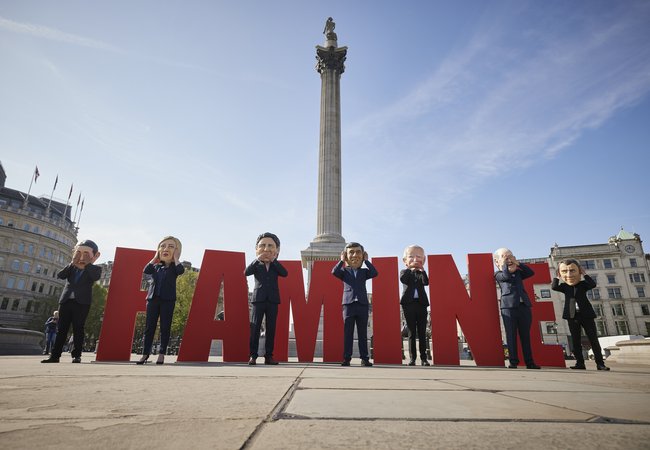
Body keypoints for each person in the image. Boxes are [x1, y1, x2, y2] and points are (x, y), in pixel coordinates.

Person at [42, 240, 101, 363]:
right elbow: (61, 275)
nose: (81, 256)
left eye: (86, 253)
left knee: (78, 329)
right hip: (66, 301)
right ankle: (55, 356)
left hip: (82, 302)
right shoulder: (72, 268)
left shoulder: (95, 269)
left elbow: (95, 277)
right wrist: (72, 263)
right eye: (79, 253)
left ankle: (76, 355)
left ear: (95, 256)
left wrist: (87, 262)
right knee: (61, 329)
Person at [552, 259, 610, 371]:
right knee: (575, 340)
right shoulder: (565, 287)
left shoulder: (583, 285)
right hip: (572, 316)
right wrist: (557, 276)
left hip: (586, 314)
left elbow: (592, 284)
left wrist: (584, 274)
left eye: (573, 270)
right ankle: (580, 363)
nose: (569, 274)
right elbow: (554, 287)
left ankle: (600, 364)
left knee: (593, 339)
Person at [137, 236, 184, 365]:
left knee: (165, 327)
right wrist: (154, 257)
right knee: (149, 328)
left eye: (171, 246)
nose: (166, 249)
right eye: (163, 246)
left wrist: (176, 258)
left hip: (168, 300)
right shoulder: (155, 267)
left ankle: (161, 354)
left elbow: (181, 270)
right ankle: (145, 354)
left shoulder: (175, 268)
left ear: (177, 250)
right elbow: (146, 270)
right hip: (152, 299)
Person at [332, 242, 378, 367]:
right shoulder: (344, 272)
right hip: (348, 305)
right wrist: (342, 261)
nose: (354, 255)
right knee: (348, 333)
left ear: (362, 255)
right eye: (351, 252)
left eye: (358, 252)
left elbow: (374, 273)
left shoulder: (364, 272)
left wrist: (367, 261)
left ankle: (365, 358)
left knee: (363, 334)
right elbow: (334, 272)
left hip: (362, 305)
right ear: (346, 256)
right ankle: (347, 358)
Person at [493, 247, 540, 369]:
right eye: (505, 257)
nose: (509, 259)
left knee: (525, 335)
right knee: (511, 335)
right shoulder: (498, 274)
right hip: (508, 308)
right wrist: (504, 265)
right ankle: (513, 362)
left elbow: (530, 272)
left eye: (510, 256)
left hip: (524, 306)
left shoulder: (519, 273)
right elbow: (506, 276)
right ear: (497, 261)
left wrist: (518, 263)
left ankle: (530, 362)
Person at [245, 232, 288, 365]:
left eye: (270, 246)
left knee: (271, 329)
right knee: (255, 328)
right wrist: (258, 259)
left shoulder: (275, 265)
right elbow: (246, 272)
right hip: (258, 299)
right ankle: (253, 355)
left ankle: (269, 356)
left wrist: (273, 260)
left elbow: (285, 273)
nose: (266, 249)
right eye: (263, 245)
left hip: (273, 300)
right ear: (257, 249)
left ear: (277, 249)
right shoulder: (256, 264)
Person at [400, 245, 430, 366]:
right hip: (409, 304)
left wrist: (422, 270)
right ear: (405, 261)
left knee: (422, 332)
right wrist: (410, 268)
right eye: (411, 257)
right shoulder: (404, 272)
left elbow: (426, 282)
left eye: (418, 257)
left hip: (421, 304)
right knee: (411, 332)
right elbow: (403, 279)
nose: (414, 260)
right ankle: (412, 359)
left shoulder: (420, 273)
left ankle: (424, 358)